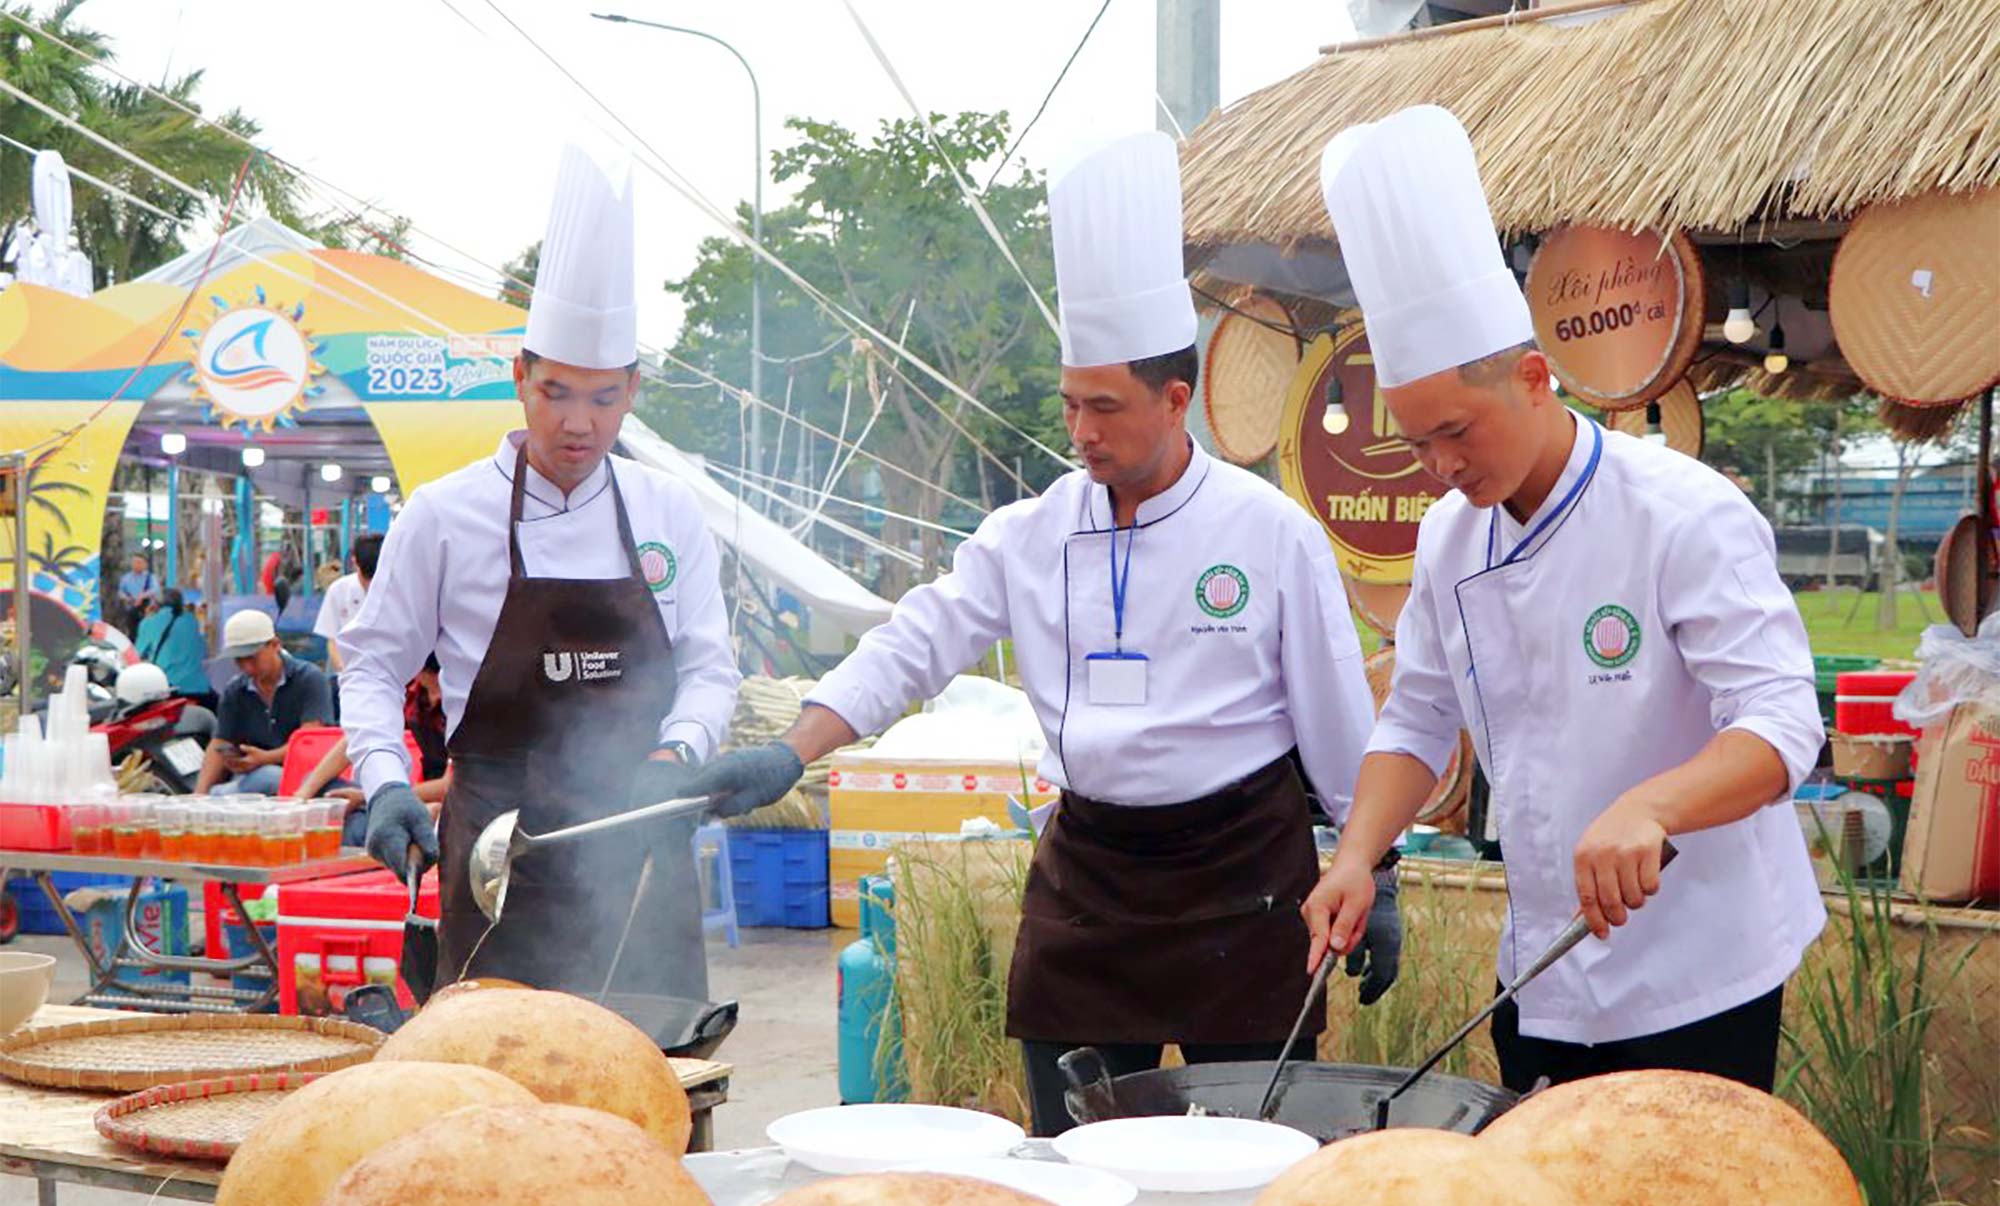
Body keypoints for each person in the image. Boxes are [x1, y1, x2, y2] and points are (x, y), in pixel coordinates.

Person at [670, 133, 1391, 1135]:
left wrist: (1373, 865)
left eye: (1104, 407)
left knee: (1251, 1159)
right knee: (1071, 1154)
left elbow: (1335, 713)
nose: (1080, 430)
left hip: (1243, 879)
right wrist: (792, 749)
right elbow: (915, 645)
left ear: (1174, 401)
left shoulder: (1270, 534)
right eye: (1069, 404)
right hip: (1091, 874)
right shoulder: (1030, 532)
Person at [1304, 106, 1824, 1094]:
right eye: (1415, 442)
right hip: (1542, 969)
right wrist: (1356, 854)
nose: (1438, 465)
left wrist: (1651, 804)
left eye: (1456, 431)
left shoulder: (1680, 514)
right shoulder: (1450, 538)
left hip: (1699, 972)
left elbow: (1780, 724)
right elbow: (1417, 719)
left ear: (1534, 378)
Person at [337, 141, 738, 1003]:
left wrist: (676, 750)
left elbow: (710, 668)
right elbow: (371, 664)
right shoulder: (444, 514)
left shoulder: (668, 511)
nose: (579, 424)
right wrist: (385, 781)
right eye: (557, 392)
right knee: (492, 1061)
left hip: (637, 840)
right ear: (520, 378)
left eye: (602, 398)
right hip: (496, 854)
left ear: (632, 390)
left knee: (652, 1058)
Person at [295, 656, 449, 846]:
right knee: (321, 788)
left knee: (357, 828)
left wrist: (369, 797)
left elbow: (449, 784)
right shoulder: (410, 691)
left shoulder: (462, 698)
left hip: (450, 800)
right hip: (412, 794)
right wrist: (302, 795)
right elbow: (359, 736)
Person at [196, 609, 334, 796]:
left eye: (252, 658)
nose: (247, 667)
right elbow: (220, 741)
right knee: (228, 790)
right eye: (239, 660)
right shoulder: (235, 690)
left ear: (275, 645)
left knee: (268, 777)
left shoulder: (309, 679)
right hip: (251, 778)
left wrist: (265, 758)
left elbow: (310, 741)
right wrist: (199, 796)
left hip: (304, 775)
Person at [135, 588, 216, 709]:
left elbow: (136, 655)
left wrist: (147, 618)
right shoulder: (192, 620)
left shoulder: (149, 622)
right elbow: (203, 651)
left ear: (155, 605)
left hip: (168, 690)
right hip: (199, 690)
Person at [314, 533, 382, 673]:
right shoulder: (338, 590)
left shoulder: (396, 591)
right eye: (367, 577)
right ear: (354, 561)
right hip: (347, 671)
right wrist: (344, 670)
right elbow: (332, 639)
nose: (370, 584)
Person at [116, 554, 161, 626]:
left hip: (147, 610)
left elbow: (156, 589)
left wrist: (143, 596)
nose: (136, 565)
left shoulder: (150, 577)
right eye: (134, 562)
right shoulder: (126, 578)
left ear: (145, 564)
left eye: (139, 562)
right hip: (132, 610)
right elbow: (120, 592)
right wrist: (127, 598)